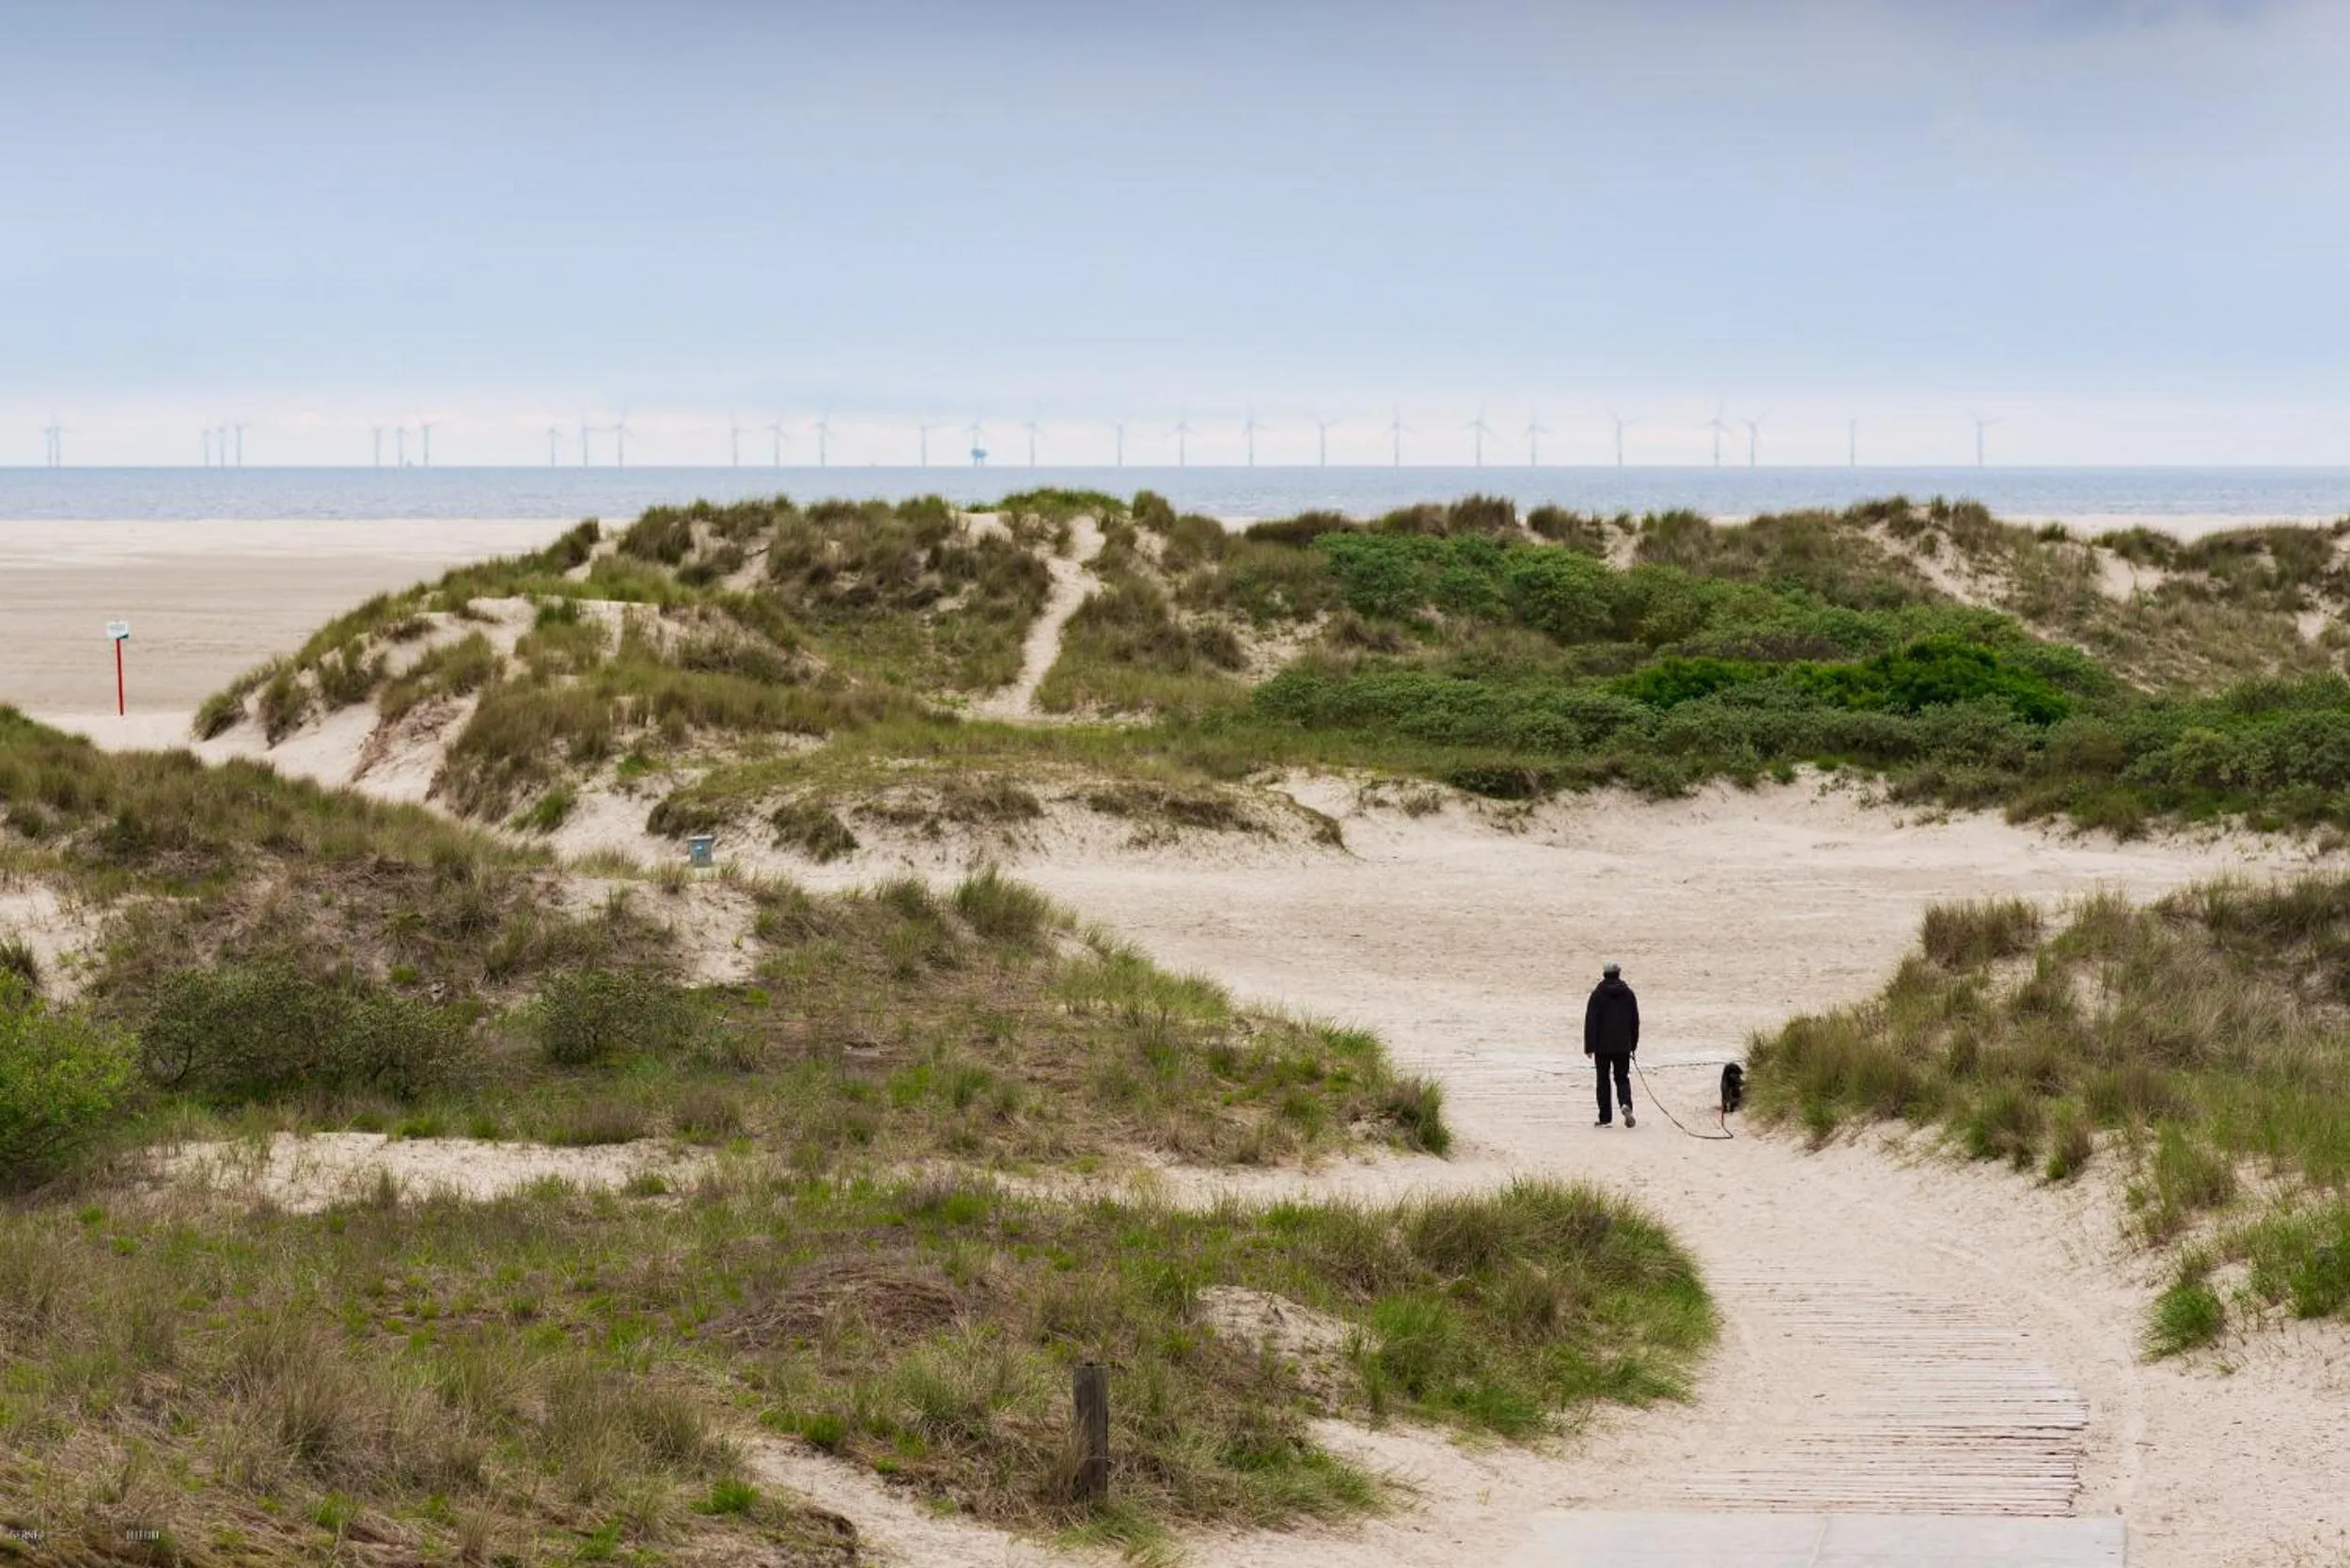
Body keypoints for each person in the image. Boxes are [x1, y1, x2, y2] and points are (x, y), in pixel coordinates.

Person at [1584, 961, 1639, 1128]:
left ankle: (1605, 1118)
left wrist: (1589, 1046)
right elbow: (1634, 1021)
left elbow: (1591, 1021)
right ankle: (1625, 1103)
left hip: (1602, 1046)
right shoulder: (1628, 994)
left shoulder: (1597, 994)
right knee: (1622, 1077)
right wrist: (1633, 1044)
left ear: (1604, 974)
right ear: (1618, 973)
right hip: (1623, 1045)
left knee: (1603, 1080)